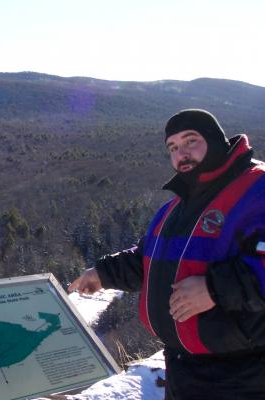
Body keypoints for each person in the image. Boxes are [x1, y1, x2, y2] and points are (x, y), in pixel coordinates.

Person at [68, 109, 265, 399]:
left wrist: (213, 288)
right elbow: (149, 257)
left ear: (215, 140)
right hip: (184, 369)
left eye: (190, 141)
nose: (181, 154)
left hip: (243, 375)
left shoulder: (255, 189)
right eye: (172, 148)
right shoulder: (178, 206)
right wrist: (103, 272)